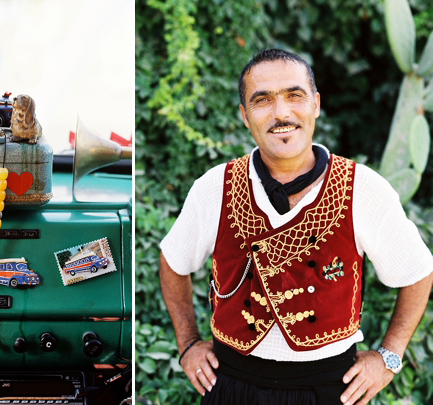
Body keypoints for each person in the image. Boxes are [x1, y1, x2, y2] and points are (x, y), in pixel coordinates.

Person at [159, 49, 433, 405]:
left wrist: (389, 356)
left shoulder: (364, 188)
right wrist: (188, 345)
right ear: (244, 116)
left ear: (316, 104)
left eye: (294, 95)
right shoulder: (215, 187)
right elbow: (173, 261)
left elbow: (418, 271)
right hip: (231, 387)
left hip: (330, 390)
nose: (281, 113)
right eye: (262, 100)